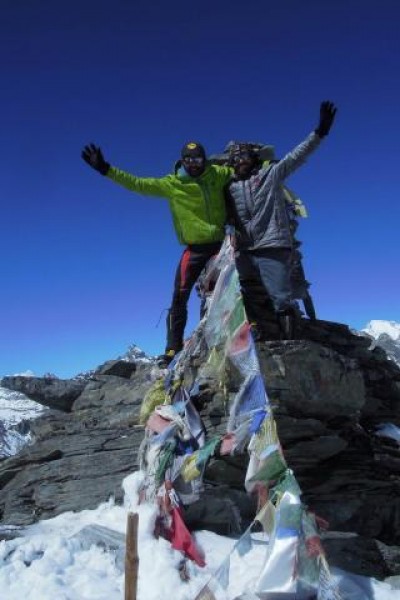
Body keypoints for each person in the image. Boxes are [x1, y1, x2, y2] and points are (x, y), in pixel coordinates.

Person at [81, 141, 232, 363]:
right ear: (182, 161)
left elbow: (241, 171)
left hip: (221, 246)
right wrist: (106, 169)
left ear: (205, 160)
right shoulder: (172, 184)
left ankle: (218, 339)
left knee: (221, 293)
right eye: (188, 160)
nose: (193, 165)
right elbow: (138, 184)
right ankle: (173, 348)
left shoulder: (217, 174)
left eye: (198, 159)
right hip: (194, 249)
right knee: (179, 296)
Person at [225, 101, 337, 339]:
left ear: (253, 158)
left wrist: (320, 132)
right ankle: (265, 336)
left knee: (280, 298)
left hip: (272, 246)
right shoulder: (229, 187)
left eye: (243, 156)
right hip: (245, 251)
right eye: (235, 159)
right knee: (250, 294)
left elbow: (296, 157)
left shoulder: (270, 175)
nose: (239, 161)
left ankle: (290, 343)